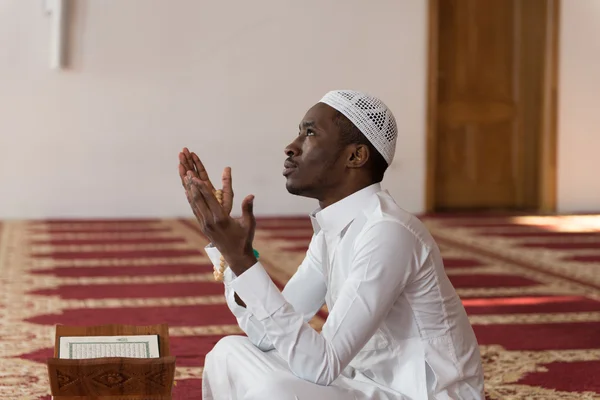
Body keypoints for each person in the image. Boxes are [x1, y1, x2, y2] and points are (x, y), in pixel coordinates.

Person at [178, 90, 485, 399]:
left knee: (277, 393)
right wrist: (231, 254)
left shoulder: (388, 233)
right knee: (228, 353)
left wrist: (242, 258)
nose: (291, 147)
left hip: (417, 395)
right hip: (361, 382)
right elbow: (264, 335)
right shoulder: (330, 231)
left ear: (355, 156)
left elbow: (321, 366)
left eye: (310, 133)